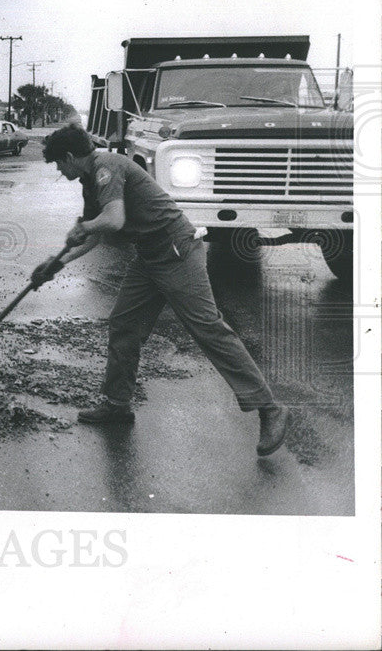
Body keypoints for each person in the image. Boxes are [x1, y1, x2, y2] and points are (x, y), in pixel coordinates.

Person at [32, 124, 288, 457]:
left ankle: (269, 407)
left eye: (58, 165)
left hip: (177, 250)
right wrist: (55, 264)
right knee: (124, 325)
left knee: (209, 328)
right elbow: (95, 235)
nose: (59, 171)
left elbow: (113, 220)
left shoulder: (107, 167)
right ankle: (117, 406)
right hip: (149, 257)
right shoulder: (89, 181)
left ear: (69, 157)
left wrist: (83, 226)